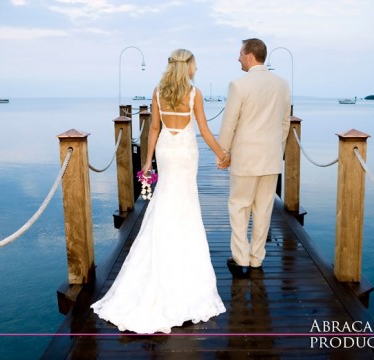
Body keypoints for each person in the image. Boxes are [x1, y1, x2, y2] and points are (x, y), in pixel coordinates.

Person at [91, 48, 228, 334]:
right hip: (186, 151)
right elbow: (204, 130)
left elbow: (153, 128)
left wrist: (147, 162)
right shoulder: (195, 94)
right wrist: (222, 154)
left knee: (166, 198)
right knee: (186, 203)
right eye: (195, 64)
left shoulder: (158, 92)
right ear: (187, 66)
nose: (197, 68)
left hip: (166, 150)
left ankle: (162, 250)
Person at [218, 38, 291, 276]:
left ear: (250, 56)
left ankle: (241, 260)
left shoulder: (238, 85)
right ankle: (257, 258)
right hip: (270, 158)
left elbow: (230, 123)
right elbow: (285, 123)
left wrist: (223, 152)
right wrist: (276, 149)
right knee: (264, 209)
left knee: (239, 207)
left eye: (240, 53)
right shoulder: (282, 84)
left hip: (245, 158)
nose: (238, 58)